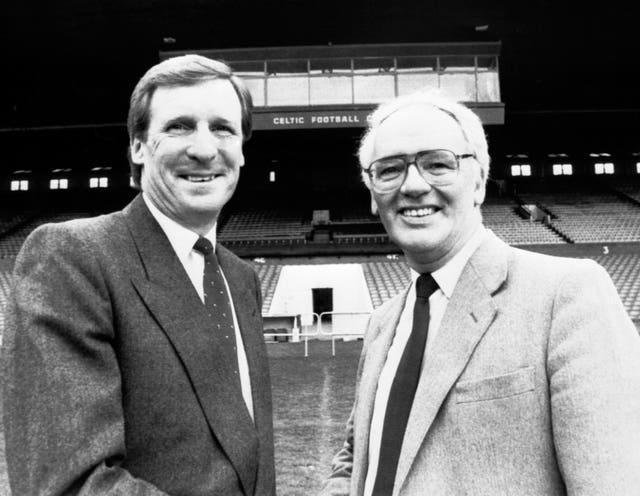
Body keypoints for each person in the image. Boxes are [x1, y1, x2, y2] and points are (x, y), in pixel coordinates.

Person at [321, 91, 640, 495]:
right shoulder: (383, 323)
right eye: (389, 170)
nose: (414, 185)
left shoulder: (567, 294)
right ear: (371, 193)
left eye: (438, 164)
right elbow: (357, 459)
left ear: (479, 182)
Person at [2, 54, 275, 495]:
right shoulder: (72, 258)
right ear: (137, 147)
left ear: (243, 149)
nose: (205, 148)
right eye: (179, 126)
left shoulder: (241, 280)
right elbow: (70, 484)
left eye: (223, 128)